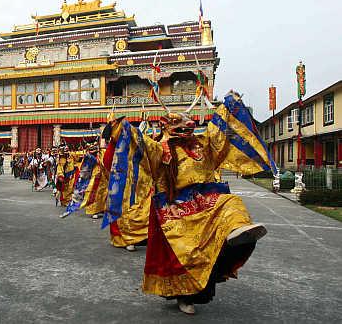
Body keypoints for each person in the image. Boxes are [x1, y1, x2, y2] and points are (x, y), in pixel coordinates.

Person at [104, 91, 273, 314]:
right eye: (177, 123)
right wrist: (122, 128)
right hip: (175, 208)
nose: (185, 126)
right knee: (187, 255)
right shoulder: (160, 149)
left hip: (206, 200)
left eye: (186, 123)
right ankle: (185, 296)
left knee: (231, 203)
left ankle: (234, 232)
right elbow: (141, 145)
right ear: (166, 127)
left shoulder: (202, 144)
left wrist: (228, 104)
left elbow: (219, 131)